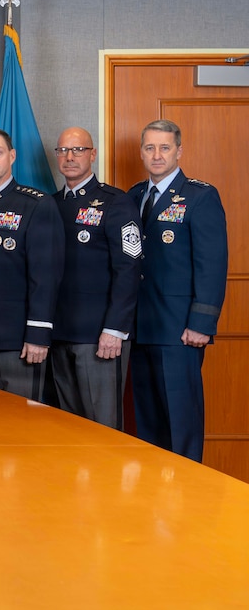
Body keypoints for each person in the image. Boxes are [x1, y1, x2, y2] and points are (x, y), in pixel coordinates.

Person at [128, 119, 227, 460]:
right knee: (147, 421)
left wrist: (201, 323)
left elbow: (212, 265)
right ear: (141, 152)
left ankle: (187, 488)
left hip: (179, 330)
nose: (157, 155)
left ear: (178, 151)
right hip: (139, 327)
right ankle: (155, 487)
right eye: (150, 147)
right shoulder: (134, 196)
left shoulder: (200, 196)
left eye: (165, 147)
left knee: (180, 421)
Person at [0, 127, 64, 402]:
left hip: (16, 341)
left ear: (12, 156)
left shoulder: (36, 205)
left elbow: (46, 276)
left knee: (18, 423)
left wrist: (38, 333)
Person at [49, 127, 141, 429]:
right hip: (58, 333)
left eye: (78, 150)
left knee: (103, 428)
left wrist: (115, 329)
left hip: (99, 336)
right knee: (68, 428)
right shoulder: (50, 204)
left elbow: (129, 269)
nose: (69, 157)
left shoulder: (115, 202)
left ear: (93, 154)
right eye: (63, 150)